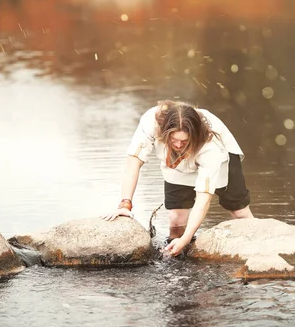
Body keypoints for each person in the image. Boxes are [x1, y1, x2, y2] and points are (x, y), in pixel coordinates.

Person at [101, 100, 253, 256]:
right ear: (164, 132)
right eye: (174, 140)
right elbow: (134, 162)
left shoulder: (211, 146)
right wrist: (125, 204)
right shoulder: (150, 122)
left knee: (239, 212)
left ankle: (258, 245)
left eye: (184, 141)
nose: (179, 145)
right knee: (176, 219)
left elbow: (204, 198)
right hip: (174, 163)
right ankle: (178, 257)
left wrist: (186, 239)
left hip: (222, 161)